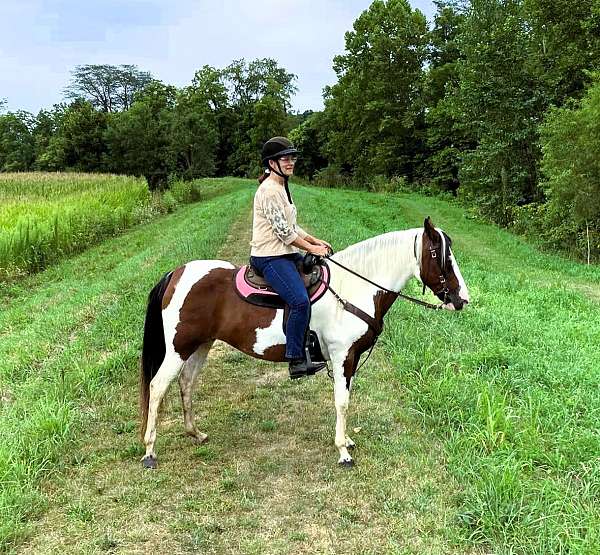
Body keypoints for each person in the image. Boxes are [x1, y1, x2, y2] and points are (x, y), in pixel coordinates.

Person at [250, 137, 332, 379]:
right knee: (299, 301)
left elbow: (292, 225)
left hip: (285, 253)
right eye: (285, 158)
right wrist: (310, 248)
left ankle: (313, 341)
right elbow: (284, 233)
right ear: (272, 163)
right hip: (269, 257)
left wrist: (315, 240)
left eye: (292, 157)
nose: (291, 162)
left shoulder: (281, 187)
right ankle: (296, 358)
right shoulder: (268, 191)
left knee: (320, 278)